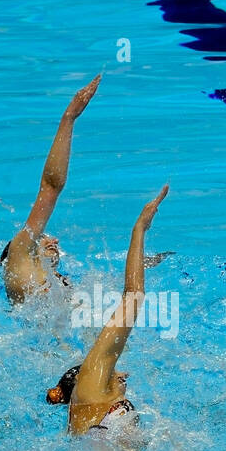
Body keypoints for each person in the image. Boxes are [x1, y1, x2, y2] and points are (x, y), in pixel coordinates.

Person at [45, 186, 168, 435]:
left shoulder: (90, 405)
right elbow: (133, 295)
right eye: (113, 369)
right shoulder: (91, 381)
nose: (123, 372)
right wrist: (139, 230)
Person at [1, 74, 101, 303]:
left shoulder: (62, 282)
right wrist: (69, 118)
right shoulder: (20, 263)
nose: (54, 240)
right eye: (42, 236)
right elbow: (50, 187)